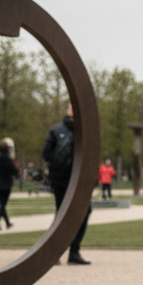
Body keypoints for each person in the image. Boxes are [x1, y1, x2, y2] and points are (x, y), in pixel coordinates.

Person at [42, 104, 91, 264]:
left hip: (79, 180)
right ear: (68, 111)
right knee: (61, 215)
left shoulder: (84, 131)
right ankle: (53, 252)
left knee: (85, 211)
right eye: (72, 107)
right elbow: (46, 153)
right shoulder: (56, 131)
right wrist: (57, 164)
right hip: (61, 179)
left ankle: (74, 251)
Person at [0, 137, 20, 229]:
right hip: (5, 184)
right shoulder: (7, 159)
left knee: (2, 203)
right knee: (3, 204)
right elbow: (13, 171)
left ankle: (7, 222)